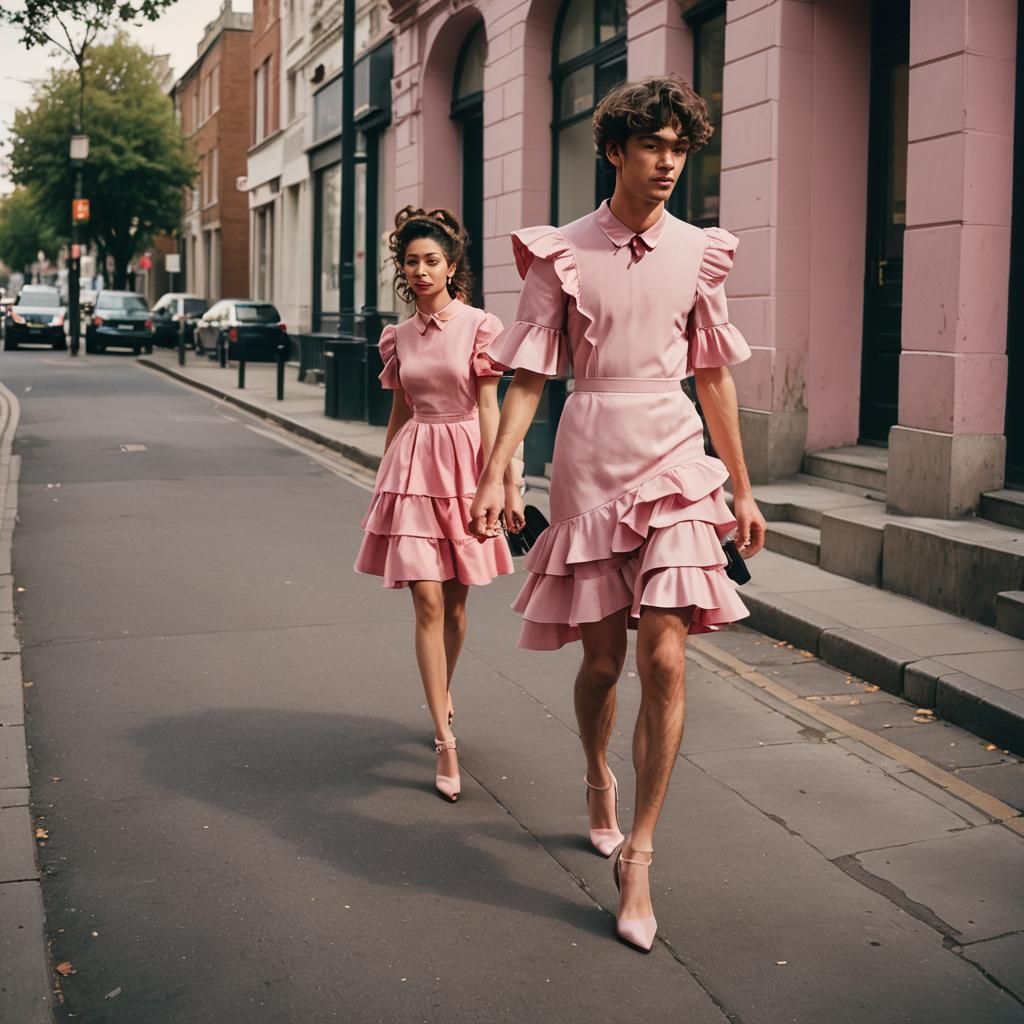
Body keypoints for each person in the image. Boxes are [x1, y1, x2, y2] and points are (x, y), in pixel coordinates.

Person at [469, 76, 767, 951]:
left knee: (666, 657)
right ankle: (597, 774)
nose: (670, 163)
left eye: (681, 148)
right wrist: (501, 473)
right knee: (602, 663)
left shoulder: (702, 252)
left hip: (675, 455)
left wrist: (741, 488)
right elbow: (528, 377)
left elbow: (713, 373)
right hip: (589, 449)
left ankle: (639, 852)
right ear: (616, 151)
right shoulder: (561, 252)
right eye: (654, 147)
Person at [356, 207, 523, 803]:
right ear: (402, 270)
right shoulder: (397, 337)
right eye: (411, 262)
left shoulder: (480, 325)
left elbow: (490, 406)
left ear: (452, 266)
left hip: (467, 462)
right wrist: (384, 474)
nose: (421, 271)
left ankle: (443, 695)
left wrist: (505, 481)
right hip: (415, 462)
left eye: (432, 261)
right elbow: (400, 409)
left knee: (455, 607)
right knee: (426, 599)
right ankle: (443, 738)